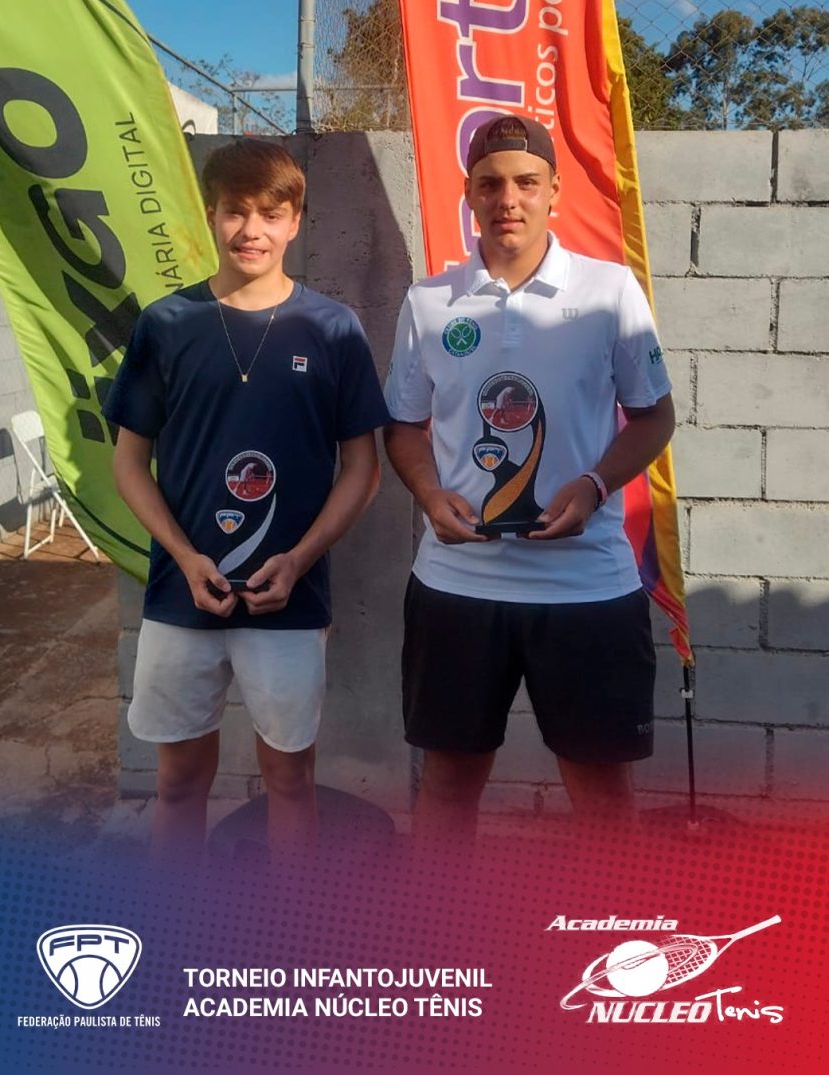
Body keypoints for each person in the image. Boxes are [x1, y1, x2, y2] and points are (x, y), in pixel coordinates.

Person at [383, 115, 675, 844]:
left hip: (587, 586)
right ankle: (446, 924)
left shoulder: (610, 291)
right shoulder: (429, 301)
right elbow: (404, 428)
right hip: (457, 585)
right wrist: (429, 494)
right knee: (447, 787)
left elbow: (654, 417)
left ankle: (607, 923)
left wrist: (596, 485)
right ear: (468, 195)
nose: (507, 199)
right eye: (489, 184)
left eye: (525, 182)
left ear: (554, 191)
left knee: (603, 800)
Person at [104, 139, 389, 864]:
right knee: (178, 783)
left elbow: (363, 468)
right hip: (182, 595)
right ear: (211, 215)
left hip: (287, 600)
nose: (251, 229)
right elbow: (129, 463)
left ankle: (286, 922)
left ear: (295, 221)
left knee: (290, 781)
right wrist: (183, 556)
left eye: (270, 213)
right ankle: (177, 916)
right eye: (235, 211)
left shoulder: (332, 328)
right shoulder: (166, 323)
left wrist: (298, 559)